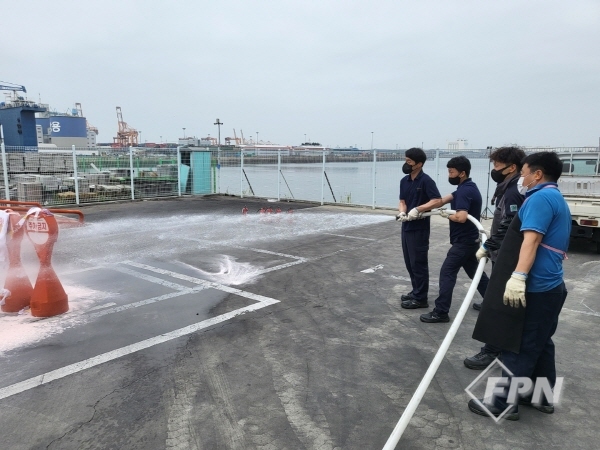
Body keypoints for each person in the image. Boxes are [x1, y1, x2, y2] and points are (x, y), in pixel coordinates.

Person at [468, 151, 571, 420]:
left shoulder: (540, 198)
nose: (521, 179)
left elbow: (532, 240)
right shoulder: (554, 196)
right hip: (551, 287)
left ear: (538, 174)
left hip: (538, 286)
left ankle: (503, 403)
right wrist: (490, 246)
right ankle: (540, 397)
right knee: (540, 342)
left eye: (523, 173)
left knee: (520, 343)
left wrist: (519, 276)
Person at [464, 146, 526, 369]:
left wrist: (488, 245)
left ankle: (492, 350)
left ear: (512, 167)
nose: (494, 170)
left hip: (509, 257)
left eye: (497, 166)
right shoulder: (509, 186)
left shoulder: (513, 190)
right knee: (501, 304)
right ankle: (501, 348)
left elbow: (510, 223)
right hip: (503, 254)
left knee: (498, 307)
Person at [419, 156, 490, 323]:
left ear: (462, 173)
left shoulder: (464, 191)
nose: (449, 175)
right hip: (471, 240)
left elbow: (461, 217)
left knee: (447, 272)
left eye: (451, 172)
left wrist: (447, 215)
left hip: (463, 242)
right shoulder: (467, 187)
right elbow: (442, 200)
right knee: (476, 273)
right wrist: (419, 209)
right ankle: (492, 302)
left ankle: (441, 312)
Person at [396, 148, 442, 309]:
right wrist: (402, 212)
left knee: (418, 263)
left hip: (419, 228)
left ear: (419, 164)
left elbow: (437, 200)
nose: (406, 164)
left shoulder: (426, 181)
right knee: (409, 262)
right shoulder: (404, 181)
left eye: (409, 161)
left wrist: (418, 209)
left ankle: (421, 298)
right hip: (406, 226)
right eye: (406, 160)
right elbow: (402, 201)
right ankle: (416, 290)